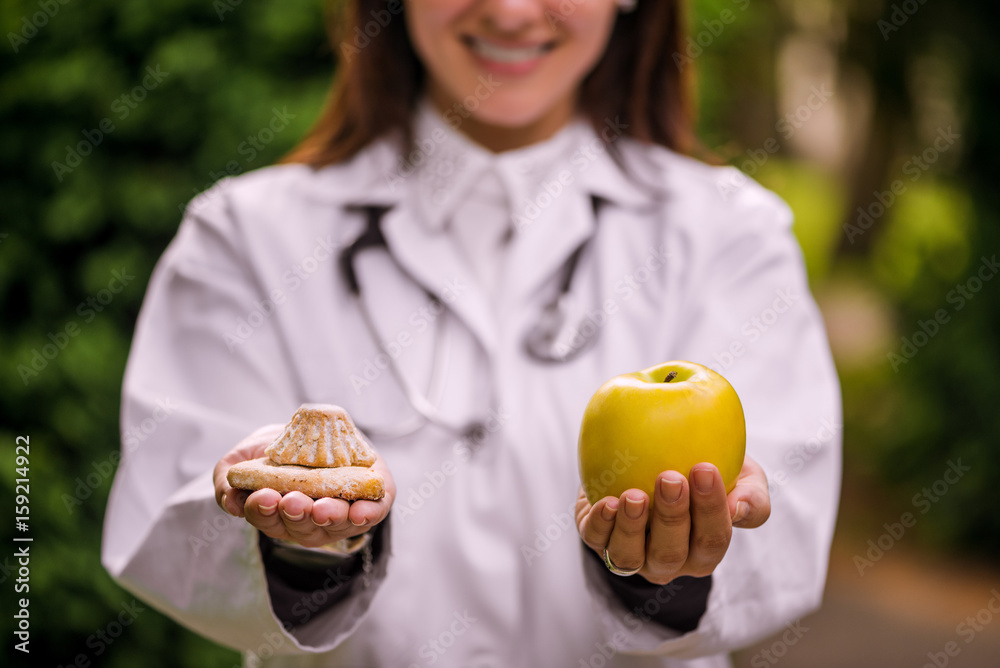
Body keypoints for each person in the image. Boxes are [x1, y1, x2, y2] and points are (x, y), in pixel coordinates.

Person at [102, 1, 841, 666]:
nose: (513, 11)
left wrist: (673, 571)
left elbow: (785, 537)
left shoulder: (730, 235)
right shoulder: (245, 238)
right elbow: (170, 525)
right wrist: (307, 555)